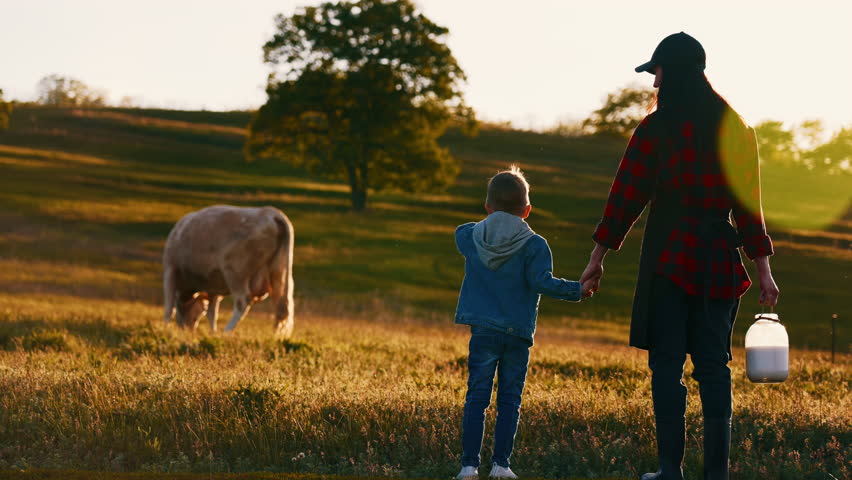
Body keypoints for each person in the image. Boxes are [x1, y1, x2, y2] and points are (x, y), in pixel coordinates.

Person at [579, 33, 779, 480]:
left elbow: (625, 197)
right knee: (713, 365)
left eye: (658, 73)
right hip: (716, 258)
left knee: (666, 363)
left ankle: (670, 470)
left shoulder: (655, 128)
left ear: (673, 73)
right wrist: (763, 269)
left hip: (667, 255)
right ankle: (717, 475)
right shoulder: (736, 128)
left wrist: (598, 256)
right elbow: (749, 206)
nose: (654, 84)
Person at [454, 165, 589, 480]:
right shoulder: (535, 245)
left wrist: (491, 220)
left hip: (483, 330)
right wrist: (578, 290)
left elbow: (462, 230)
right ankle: (501, 465)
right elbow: (542, 282)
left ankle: (469, 466)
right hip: (517, 332)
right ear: (527, 210)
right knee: (509, 400)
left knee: (477, 396)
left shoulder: (470, 236)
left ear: (488, 206)